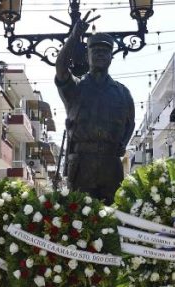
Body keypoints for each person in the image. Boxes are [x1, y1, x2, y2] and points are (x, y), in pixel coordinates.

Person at [55, 20, 135, 205]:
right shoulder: (75, 88)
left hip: (111, 163)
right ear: (87, 56)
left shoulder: (122, 92)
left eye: (105, 51)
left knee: (113, 216)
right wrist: (74, 37)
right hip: (82, 163)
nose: (100, 54)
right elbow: (60, 68)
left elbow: (130, 123)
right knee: (81, 218)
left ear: (111, 57)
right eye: (95, 51)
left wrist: (123, 144)